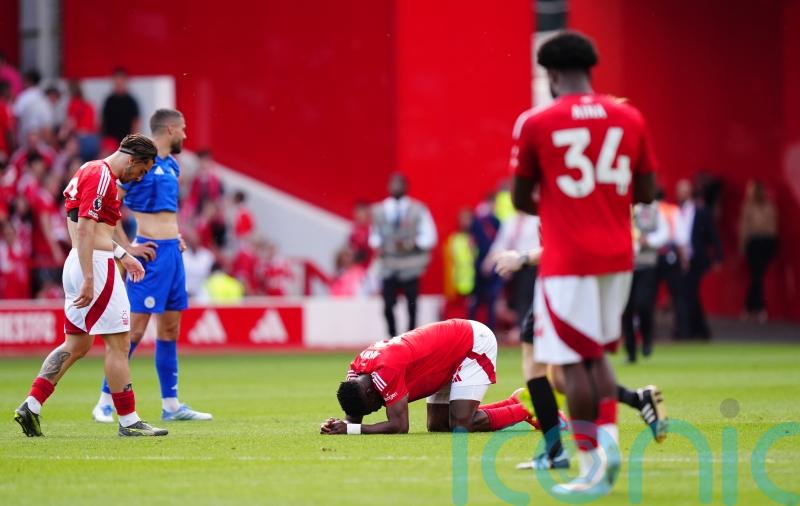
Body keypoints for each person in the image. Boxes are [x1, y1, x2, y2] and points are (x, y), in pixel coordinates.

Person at [510, 31, 659, 496]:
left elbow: (520, 198)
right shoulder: (629, 117)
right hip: (618, 254)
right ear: (590, 69)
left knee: (571, 364)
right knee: (597, 355)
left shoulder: (537, 122)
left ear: (551, 74)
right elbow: (648, 191)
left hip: (568, 257)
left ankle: (591, 462)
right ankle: (608, 447)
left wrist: (566, 204)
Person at [13, 134, 167, 437]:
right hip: (94, 265)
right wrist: (89, 277)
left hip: (80, 261)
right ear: (132, 160)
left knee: (77, 344)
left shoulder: (88, 169)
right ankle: (129, 421)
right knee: (119, 344)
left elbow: (88, 229)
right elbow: (84, 230)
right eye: (142, 169)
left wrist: (123, 255)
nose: (140, 177)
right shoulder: (102, 176)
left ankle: (31, 404)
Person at [493, 248, 667, 473]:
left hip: (563, 280)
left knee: (539, 364)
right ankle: (637, 400)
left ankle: (559, 453)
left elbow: (563, 242)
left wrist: (523, 258)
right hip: (590, 275)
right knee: (560, 377)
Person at [91, 108, 212, 423]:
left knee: (170, 328)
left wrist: (176, 236)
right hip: (150, 255)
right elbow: (110, 205)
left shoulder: (172, 165)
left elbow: (167, 214)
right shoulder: (140, 163)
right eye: (183, 128)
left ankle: (171, 406)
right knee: (134, 330)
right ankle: (105, 401)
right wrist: (127, 247)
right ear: (170, 129)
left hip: (172, 253)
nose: (185, 134)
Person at [320, 319, 535, 435]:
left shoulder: (386, 369)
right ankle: (514, 402)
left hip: (471, 344)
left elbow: (400, 426)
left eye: (373, 407)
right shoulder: (356, 373)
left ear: (369, 392)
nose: (378, 407)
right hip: (444, 356)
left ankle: (532, 406)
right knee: (439, 425)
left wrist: (353, 429)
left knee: (462, 424)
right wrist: (340, 426)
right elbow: (353, 417)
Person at [369, 172, 437, 337]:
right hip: (389, 262)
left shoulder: (418, 209)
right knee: (388, 304)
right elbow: (374, 235)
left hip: (410, 262)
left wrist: (412, 243)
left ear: (406, 187)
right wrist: (379, 245)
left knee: (411, 304)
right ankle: (392, 336)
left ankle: (410, 337)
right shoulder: (379, 210)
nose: (396, 187)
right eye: (393, 184)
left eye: (399, 184)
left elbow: (430, 236)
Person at [674, 179, 722, 340]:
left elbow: (712, 234)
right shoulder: (674, 211)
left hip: (696, 259)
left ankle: (695, 329)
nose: (681, 193)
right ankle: (690, 329)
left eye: (684, 190)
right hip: (678, 260)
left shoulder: (700, 211)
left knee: (691, 293)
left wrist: (718, 256)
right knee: (684, 295)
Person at [622, 201, 670, 362]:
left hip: (646, 265)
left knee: (643, 304)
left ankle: (647, 339)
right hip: (625, 266)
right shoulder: (620, 205)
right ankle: (630, 350)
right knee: (626, 308)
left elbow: (664, 233)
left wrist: (649, 240)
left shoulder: (653, 209)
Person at [739, 180, 778, 322]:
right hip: (754, 243)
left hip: (766, 242)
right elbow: (744, 227)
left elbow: (773, 225)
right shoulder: (748, 207)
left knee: (758, 276)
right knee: (757, 275)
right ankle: (759, 308)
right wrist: (743, 245)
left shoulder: (769, 206)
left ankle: (749, 307)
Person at [101, 68, 140, 144]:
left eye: (121, 80)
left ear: (125, 81)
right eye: (116, 80)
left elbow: (136, 123)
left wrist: (133, 141)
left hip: (127, 140)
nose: (118, 82)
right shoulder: (109, 100)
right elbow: (103, 122)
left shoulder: (131, 101)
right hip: (110, 140)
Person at [12, 69, 51, 142]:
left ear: (29, 80)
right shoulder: (44, 97)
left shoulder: (24, 97)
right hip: (41, 140)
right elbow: (47, 123)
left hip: (26, 140)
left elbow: (15, 116)